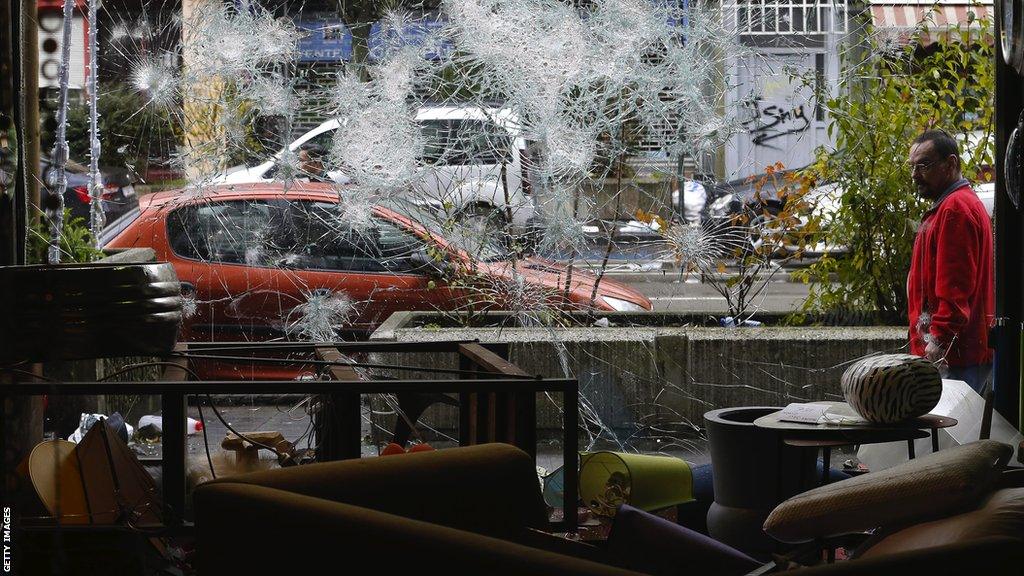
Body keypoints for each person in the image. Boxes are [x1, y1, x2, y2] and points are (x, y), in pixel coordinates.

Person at [906, 129, 994, 392]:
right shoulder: (953, 205)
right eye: (912, 166)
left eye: (924, 165)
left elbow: (955, 287)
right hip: (957, 353)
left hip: (953, 357)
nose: (915, 175)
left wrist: (938, 341)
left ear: (951, 163)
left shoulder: (955, 209)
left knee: (951, 430)